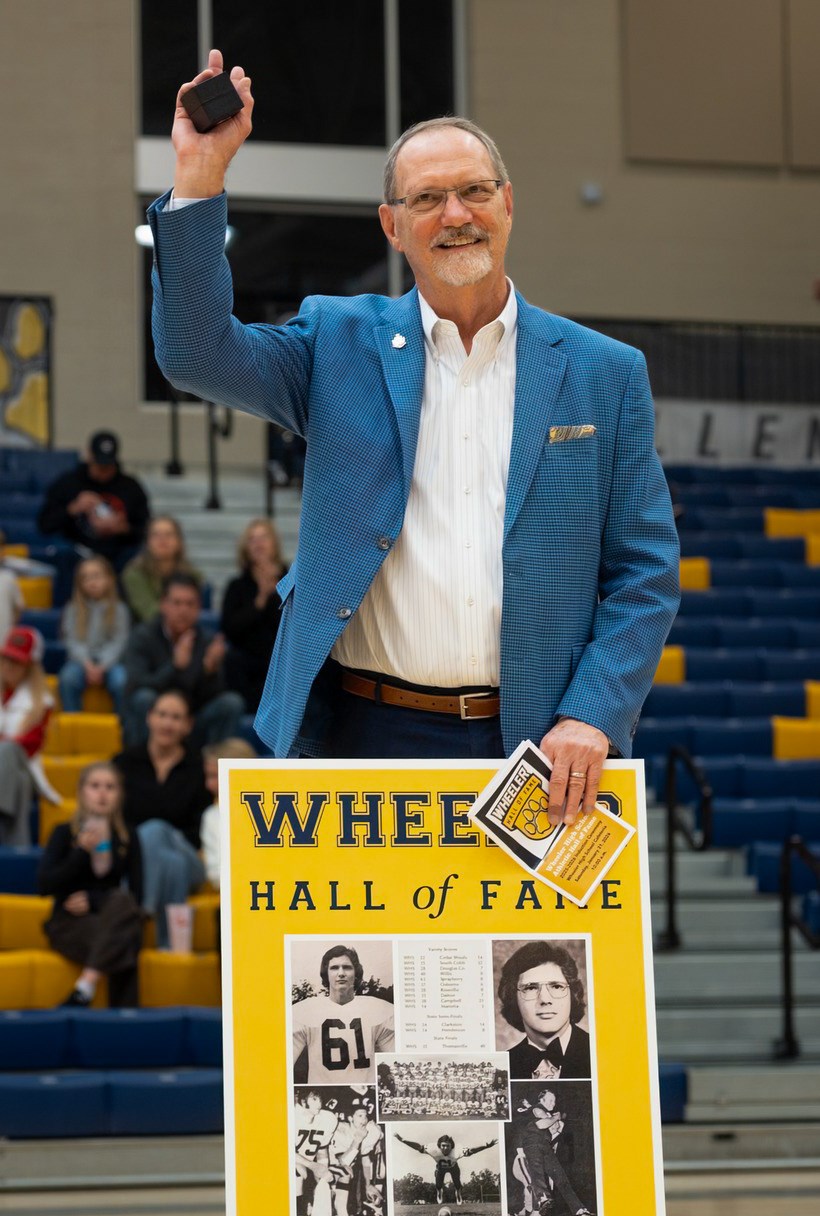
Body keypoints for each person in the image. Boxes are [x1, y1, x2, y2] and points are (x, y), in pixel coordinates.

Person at [147, 52, 679, 824]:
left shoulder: (605, 373)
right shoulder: (337, 343)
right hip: (361, 733)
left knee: (521, 954)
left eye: (473, 191)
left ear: (508, 204)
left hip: (537, 746)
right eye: (428, 198)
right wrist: (200, 177)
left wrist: (593, 712)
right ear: (393, 227)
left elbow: (645, 571)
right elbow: (195, 354)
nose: (456, 214)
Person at [37, 761, 143, 1008]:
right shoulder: (64, 833)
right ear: (82, 791)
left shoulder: (128, 835)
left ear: (120, 795)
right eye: (95, 786)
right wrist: (81, 852)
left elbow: (138, 894)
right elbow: (44, 885)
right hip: (68, 923)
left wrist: (94, 899)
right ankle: (123, 1027)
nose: (102, 793)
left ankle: (85, 986)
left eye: (110, 787)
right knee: (128, 940)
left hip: (111, 917)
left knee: (123, 903)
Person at [114, 689, 210, 949]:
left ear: (188, 725)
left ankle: (143, 904)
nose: (168, 723)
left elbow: (197, 832)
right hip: (139, 858)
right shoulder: (124, 763)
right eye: (162, 715)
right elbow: (116, 823)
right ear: (149, 718)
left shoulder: (197, 768)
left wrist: (167, 836)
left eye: (176, 717)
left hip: (188, 854)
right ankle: (169, 947)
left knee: (157, 832)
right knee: (172, 863)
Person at [121, 572, 244, 748]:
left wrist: (209, 672)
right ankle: (145, 765)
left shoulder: (206, 641)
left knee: (231, 703)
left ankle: (213, 769)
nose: (183, 610)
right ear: (163, 604)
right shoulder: (143, 637)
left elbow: (209, 697)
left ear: (199, 607)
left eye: (190, 604)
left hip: (190, 721)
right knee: (144, 698)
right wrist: (174, 667)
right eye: (177, 603)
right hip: (155, 718)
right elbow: (136, 684)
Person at [37, 431, 149, 570]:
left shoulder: (131, 487)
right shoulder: (68, 484)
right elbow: (44, 525)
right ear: (90, 456)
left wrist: (123, 528)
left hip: (119, 557)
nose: (104, 471)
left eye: (108, 466)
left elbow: (145, 529)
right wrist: (73, 509)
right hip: (77, 556)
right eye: (99, 465)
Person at [292, 944, 394, 1085]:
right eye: (334, 968)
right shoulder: (305, 1011)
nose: (341, 973)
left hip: (365, 1092)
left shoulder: (379, 1009)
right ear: (326, 974)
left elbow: (398, 1059)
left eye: (347, 967)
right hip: (323, 1092)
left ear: (356, 974)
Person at [0, 626, 60, 845]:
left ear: (30, 666)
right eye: (6, 658)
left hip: (22, 768)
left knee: (8, 752)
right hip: (14, 784)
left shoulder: (42, 701)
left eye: (16, 661)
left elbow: (29, 745)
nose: (8, 666)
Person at [497, 940, 591, 1079]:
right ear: (513, 998)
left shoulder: (598, 1052)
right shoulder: (502, 1066)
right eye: (530, 988)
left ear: (573, 994)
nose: (545, 1000)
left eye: (557, 986)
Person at [220, 518, 286, 712]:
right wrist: (260, 601)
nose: (258, 543)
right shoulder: (236, 586)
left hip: (280, 659)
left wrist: (273, 595)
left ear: (274, 544)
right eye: (252, 539)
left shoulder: (290, 581)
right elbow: (230, 629)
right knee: (233, 660)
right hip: (247, 663)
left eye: (264, 537)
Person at [508, 1087, 594, 1216]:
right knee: (536, 1178)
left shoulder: (548, 1115)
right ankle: (539, 1199)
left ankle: (579, 1210)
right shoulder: (537, 1108)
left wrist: (559, 1127)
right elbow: (541, 1124)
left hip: (544, 1146)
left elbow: (552, 1133)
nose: (554, 1103)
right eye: (550, 1100)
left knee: (561, 1178)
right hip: (531, 1145)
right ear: (542, 1100)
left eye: (555, 1100)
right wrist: (556, 1118)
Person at [58, 556, 129, 714]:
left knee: (121, 681)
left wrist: (103, 665)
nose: (92, 582)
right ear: (79, 584)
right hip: (80, 662)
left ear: (109, 579)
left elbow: (119, 641)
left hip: (111, 662)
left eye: (96, 576)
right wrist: (87, 664)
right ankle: (74, 724)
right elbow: (72, 641)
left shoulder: (120, 610)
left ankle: (122, 727)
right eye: (86, 578)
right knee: (68, 679)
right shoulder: (72, 609)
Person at [122, 515, 204, 624]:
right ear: (147, 542)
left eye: (169, 534)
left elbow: (194, 612)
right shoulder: (134, 574)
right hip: (146, 634)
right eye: (156, 535)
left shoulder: (193, 575)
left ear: (179, 542)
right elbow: (148, 613)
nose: (162, 540)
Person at [200, 736, 256, 890]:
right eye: (208, 776)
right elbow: (215, 874)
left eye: (215, 776)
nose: (208, 784)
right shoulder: (211, 816)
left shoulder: (276, 805)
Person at [394, 1132, 497, 1205]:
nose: (445, 1148)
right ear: (439, 1146)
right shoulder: (433, 1149)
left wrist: (486, 1146)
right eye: (443, 1146)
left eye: (447, 1146)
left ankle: (458, 1192)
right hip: (440, 1168)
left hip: (453, 1167)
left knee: (457, 1183)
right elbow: (418, 1147)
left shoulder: (457, 1151)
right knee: (438, 1184)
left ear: (451, 1146)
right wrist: (403, 1140)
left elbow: (472, 1151)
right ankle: (439, 1191)